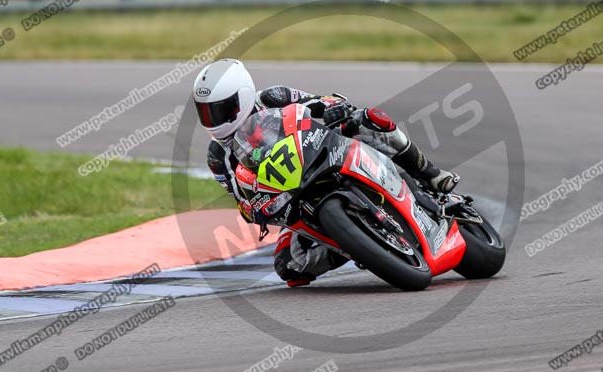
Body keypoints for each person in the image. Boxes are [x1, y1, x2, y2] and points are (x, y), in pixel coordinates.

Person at [193, 58, 459, 284]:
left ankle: (430, 174)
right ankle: (355, 246)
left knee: (369, 119)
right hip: (292, 197)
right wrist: (254, 208)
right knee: (289, 266)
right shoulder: (217, 156)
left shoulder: (273, 97)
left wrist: (334, 107)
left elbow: (320, 101)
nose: (213, 119)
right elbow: (241, 199)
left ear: (242, 96)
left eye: (219, 110)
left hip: (324, 149)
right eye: (205, 112)